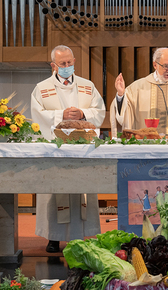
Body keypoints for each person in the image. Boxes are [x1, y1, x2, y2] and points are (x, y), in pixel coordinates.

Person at [31, 45, 106, 252]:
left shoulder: (87, 86)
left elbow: (99, 111)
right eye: (62, 64)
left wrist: (82, 113)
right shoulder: (42, 88)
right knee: (55, 187)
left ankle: (80, 234)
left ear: (74, 61)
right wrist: (61, 116)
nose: (67, 67)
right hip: (55, 148)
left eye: (70, 63)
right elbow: (37, 115)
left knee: (79, 188)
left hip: (82, 147)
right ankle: (53, 238)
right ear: (53, 65)